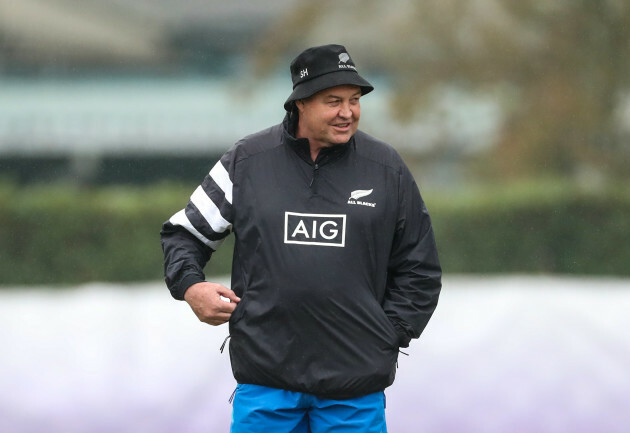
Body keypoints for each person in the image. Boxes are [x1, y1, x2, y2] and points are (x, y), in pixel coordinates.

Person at [161, 44, 441, 433]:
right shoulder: (247, 161)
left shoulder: (386, 168)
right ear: (301, 104)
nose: (348, 112)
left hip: (354, 393)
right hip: (265, 387)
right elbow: (184, 235)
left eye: (355, 100)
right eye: (334, 101)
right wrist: (191, 287)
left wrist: (385, 334)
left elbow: (420, 268)